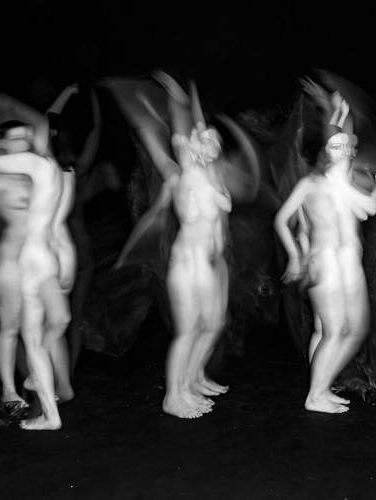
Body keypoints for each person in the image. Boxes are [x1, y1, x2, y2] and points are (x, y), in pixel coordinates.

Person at [117, 77, 231, 418]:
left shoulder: (212, 174)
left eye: (216, 140)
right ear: (193, 147)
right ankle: (174, 395)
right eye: (206, 140)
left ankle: (192, 380)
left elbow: (197, 133)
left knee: (212, 324)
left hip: (210, 261)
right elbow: (183, 136)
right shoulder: (187, 174)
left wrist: (189, 103)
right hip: (188, 262)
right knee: (188, 330)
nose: (212, 143)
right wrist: (179, 103)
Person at [274, 79, 376, 413]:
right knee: (334, 331)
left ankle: (322, 386)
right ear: (326, 151)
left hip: (349, 262)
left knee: (351, 330)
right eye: (335, 146)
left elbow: (368, 208)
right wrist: (294, 256)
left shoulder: (345, 184)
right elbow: (281, 220)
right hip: (324, 261)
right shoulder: (312, 183)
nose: (343, 149)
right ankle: (316, 394)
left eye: (347, 147)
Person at [0, 138, 73, 429]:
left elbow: (58, 225)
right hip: (28, 260)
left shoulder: (44, 168)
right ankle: (45, 411)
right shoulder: (38, 168)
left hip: (39, 259)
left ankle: (39, 383)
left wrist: (66, 257)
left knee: (56, 324)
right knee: (26, 333)